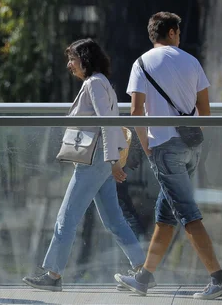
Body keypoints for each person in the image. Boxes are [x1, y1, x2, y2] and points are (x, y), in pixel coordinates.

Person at [116, 12, 222, 300]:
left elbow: (135, 112)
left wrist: (147, 147)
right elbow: (204, 109)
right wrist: (192, 137)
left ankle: (218, 279)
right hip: (192, 146)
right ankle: (144, 277)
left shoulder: (141, 63)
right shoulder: (191, 61)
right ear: (170, 33)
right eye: (177, 32)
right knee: (167, 213)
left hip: (165, 147)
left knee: (187, 214)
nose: (179, 36)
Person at [23, 39, 146, 292]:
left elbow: (106, 123)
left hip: (94, 162)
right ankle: (143, 270)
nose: (69, 65)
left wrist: (112, 160)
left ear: (85, 59)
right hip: (102, 160)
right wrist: (111, 160)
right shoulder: (102, 83)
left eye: (72, 59)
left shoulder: (94, 84)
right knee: (114, 220)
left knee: (65, 218)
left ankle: (53, 275)